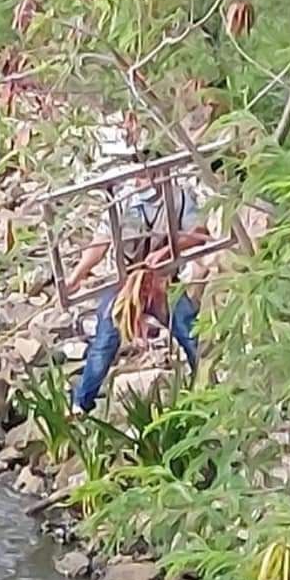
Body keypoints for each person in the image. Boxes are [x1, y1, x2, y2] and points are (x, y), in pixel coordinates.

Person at [65, 163, 211, 413]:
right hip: (126, 285)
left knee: (190, 330)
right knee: (105, 340)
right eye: (141, 172)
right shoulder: (122, 201)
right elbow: (101, 242)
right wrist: (76, 276)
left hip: (161, 284)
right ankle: (81, 403)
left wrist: (170, 249)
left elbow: (198, 232)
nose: (143, 179)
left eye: (150, 172)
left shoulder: (178, 197)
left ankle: (208, 394)